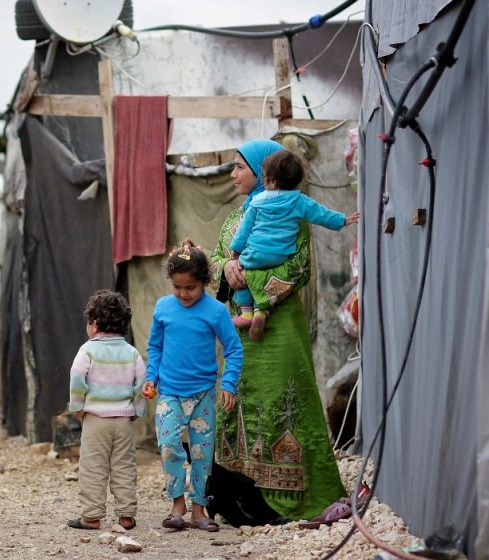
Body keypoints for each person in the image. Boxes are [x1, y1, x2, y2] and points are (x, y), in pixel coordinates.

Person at [209, 138, 347, 522]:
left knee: (283, 401)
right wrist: (225, 269)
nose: (232, 174)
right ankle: (235, 499)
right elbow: (218, 258)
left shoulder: (291, 214)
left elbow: (299, 267)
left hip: (280, 329)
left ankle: (285, 501)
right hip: (239, 332)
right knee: (236, 399)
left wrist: (251, 281)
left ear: (262, 172)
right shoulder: (234, 218)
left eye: (239, 166)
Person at [142, 240, 244, 533]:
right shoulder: (163, 308)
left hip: (204, 396)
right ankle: (177, 505)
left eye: (190, 288)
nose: (183, 293)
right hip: (170, 393)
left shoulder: (216, 311)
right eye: (177, 287)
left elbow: (234, 349)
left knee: (201, 452)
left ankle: (199, 510)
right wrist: (151, 378)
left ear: (205, 282)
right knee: (169, 445)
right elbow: (156, 348)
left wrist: (228, 383)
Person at [229, 149, 359, 341]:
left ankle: (247, 313)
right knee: (265, 279)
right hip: (282, 255)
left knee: (243, 276)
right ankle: (261, 311)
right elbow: (321, 214)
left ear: (272, 180)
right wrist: (343, 220)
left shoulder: (257, 202)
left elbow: (243, 232)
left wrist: (236, 252)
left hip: (255, 253)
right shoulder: (299, 201)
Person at [66, 290, 146, 531]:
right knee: (124, 466)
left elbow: (77, 378)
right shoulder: (131, 352)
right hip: (123, 420)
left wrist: (78, 407)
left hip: (95, 419)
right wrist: (136, 411)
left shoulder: (87, 350)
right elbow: (141, 383)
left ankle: (91, 516)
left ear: (94, 324)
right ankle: (126, 515)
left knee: (93, 467)